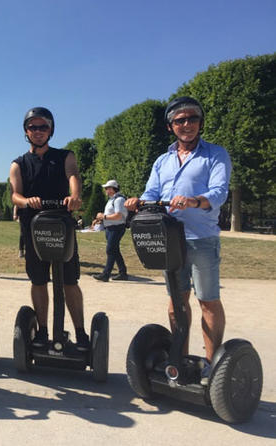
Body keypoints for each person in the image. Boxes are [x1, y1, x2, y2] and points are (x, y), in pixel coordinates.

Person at [125, 96, 232, 383]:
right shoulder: (163, 160)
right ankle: (179, 359)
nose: (187, 124)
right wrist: (139, 202)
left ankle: (211, 366)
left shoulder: (215, 154)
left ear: (200, 122)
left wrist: (195, 201)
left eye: (192, 118)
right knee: (176, 301)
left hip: (201, 238)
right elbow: (152, 192)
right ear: (171, 126)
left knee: (207, 301)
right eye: (180, 120)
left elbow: (220, 191)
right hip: (168, 237)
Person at [9, 106, 90, 351]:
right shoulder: (18, 163)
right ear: (26, 131)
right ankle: (43, 330)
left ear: (51, 130)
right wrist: (26, 201)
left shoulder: (65, 156)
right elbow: (15, 195)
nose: (38, 131)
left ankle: (80, 332)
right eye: (33, 127)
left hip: (61, 225)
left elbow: (73, 175)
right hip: (34, 227)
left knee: (69, 280)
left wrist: (75, 196)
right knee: (38, 280)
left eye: (43, 127)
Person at [94, 179, 129, 281]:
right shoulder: (112, 200)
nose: (105, 190)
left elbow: (119, 216)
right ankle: (123, 273)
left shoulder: (119, 200)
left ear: (113, 189)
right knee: (115, 250)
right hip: (110, 228)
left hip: (116, 228)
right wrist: (101, 219)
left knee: (110, 250)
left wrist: (103, 217)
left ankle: (106, 274)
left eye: (107, 188)